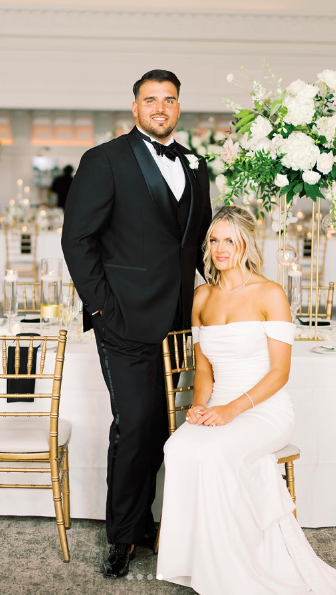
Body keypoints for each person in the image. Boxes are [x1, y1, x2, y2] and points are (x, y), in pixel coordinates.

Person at [157, 206, 336, 594]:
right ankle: (193, 561)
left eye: (230, 240)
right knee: (176, 448)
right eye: (214, 240)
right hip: (220, 406)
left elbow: (279, 373)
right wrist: (201, 404)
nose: (221, 248)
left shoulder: (269, 293)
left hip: (264, 408)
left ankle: (232, 565)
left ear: (246, 244)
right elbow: (205, 370)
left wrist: (231, 410)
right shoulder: (201, 296)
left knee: (212, 455)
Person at [61, 69, 212, 579]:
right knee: (134, 424)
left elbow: (198, 243)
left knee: (164, 425)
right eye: (151, 100)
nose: (161, 108)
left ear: (178, 106)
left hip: (178, 320)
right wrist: (102, 309)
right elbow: (77, 240)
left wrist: (224, 294)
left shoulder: (197, 164)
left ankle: (146, 521)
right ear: (135, 107)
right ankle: (123, 536)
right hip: (121, 318)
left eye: (169, 100)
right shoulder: (104, 161)